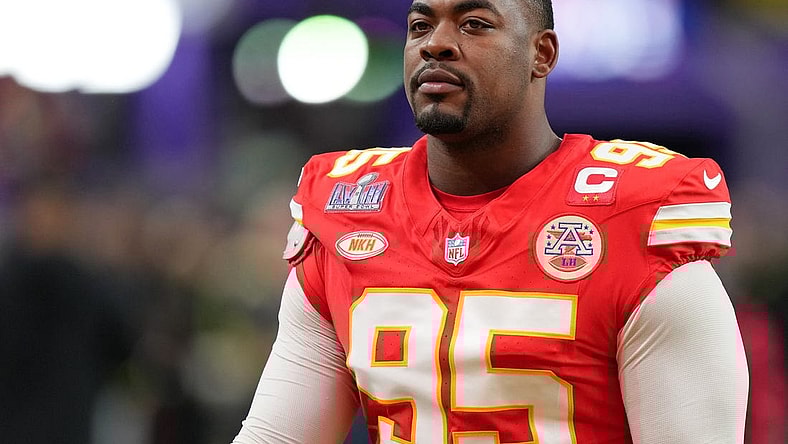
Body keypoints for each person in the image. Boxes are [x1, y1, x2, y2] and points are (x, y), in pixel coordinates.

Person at [232, 0, 750, 442]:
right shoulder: (347, 211)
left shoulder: (632, 214)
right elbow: (276, 434)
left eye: (474, 23)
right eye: (420, 26)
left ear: (540, 53)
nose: (436, 44)